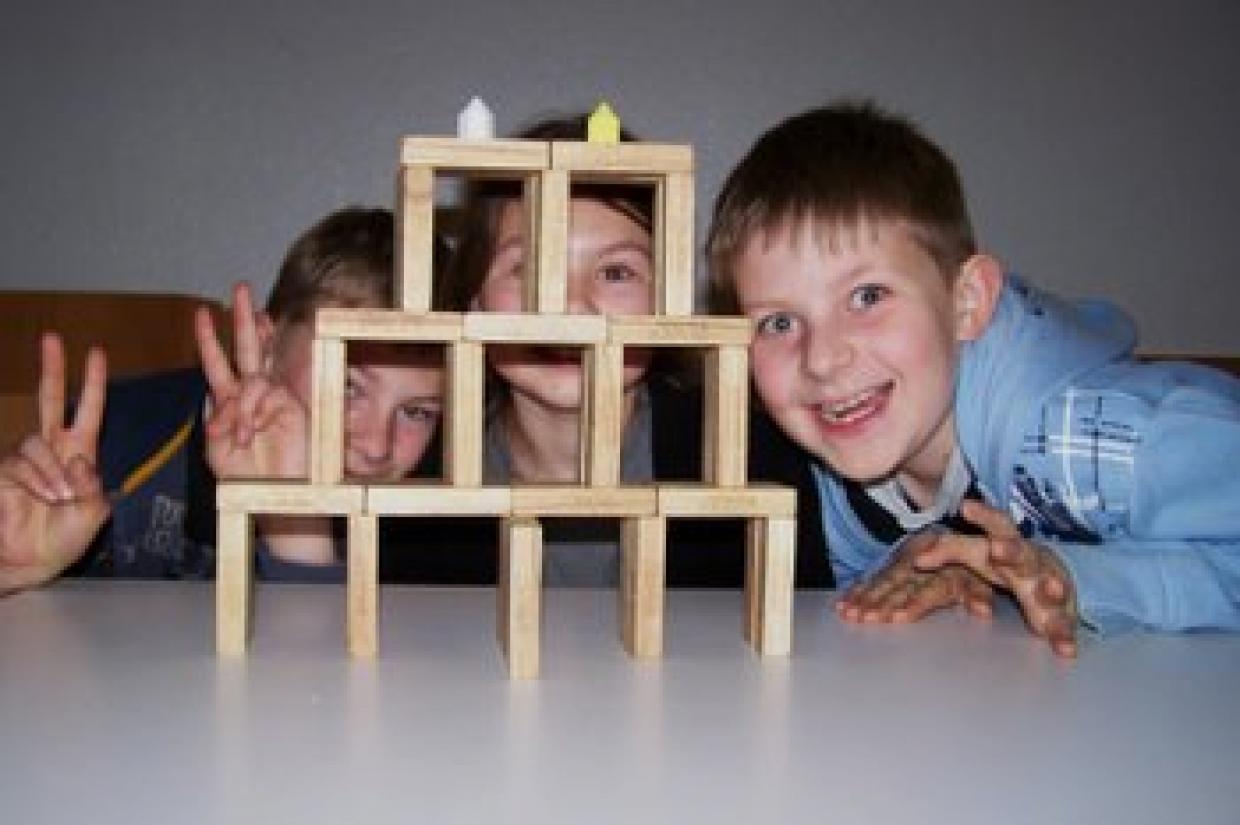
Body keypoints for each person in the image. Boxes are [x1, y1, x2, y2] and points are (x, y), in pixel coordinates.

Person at [706, 100, 1240, 656]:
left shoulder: (1099, 443)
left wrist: (1085, 579)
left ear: (967, 302)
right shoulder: (843, 468)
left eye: (867, 297)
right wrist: (950, 573)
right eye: (779, 322)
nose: (820, 359)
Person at [437, 112, 831, 587]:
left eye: (616, 273)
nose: (574, 308)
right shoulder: (418, 472)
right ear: (473, 296)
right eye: (530, 269)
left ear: (668, 299)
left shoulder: (754, 457)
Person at [0, 206, 445, 595]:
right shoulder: (105, 444)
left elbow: (322, 687)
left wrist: (296, 527)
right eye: (348, 385)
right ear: (266, 344)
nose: (375, 447)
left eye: (417, 412)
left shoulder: (439, 521)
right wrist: (13, 571)